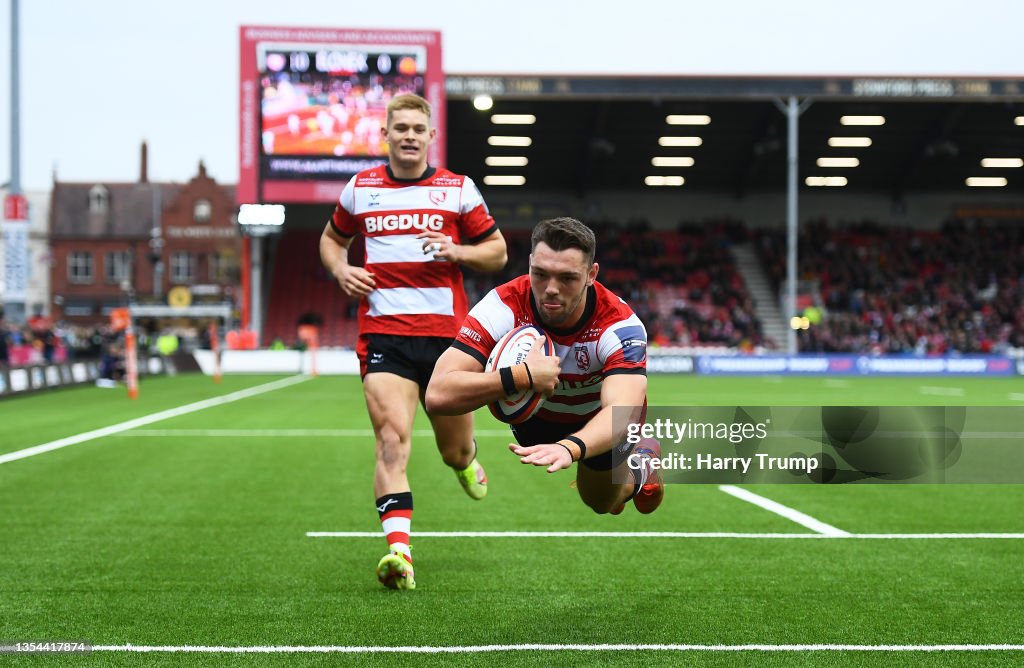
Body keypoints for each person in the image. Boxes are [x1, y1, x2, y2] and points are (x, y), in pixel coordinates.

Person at [319, 93, 507, 591]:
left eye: (416, 129)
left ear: (430, 136)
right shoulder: (360, 189)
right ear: (385, 135)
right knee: (390, 442)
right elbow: (331, 239)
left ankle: (466, 462)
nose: (407, 135)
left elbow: (498, 254)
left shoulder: (458, 189)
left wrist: (457, 250)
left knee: (454, 451)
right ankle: (399, 553)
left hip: (449, 345)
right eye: (398, 127)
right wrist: (341, 269)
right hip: (385, 338)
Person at [425, 217, 663, 519]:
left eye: (567, 278)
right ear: (529, 265)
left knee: (603, 503)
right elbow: (438, 394)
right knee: (598, 496)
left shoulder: (619, 325)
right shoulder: (502, 306)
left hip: (600, 419)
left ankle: (642, 465)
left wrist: (570, 447)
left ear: (591, 274)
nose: (551, 289)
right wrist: (522, 375)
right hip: (537, 420)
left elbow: (622, 413)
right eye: (540, 274)